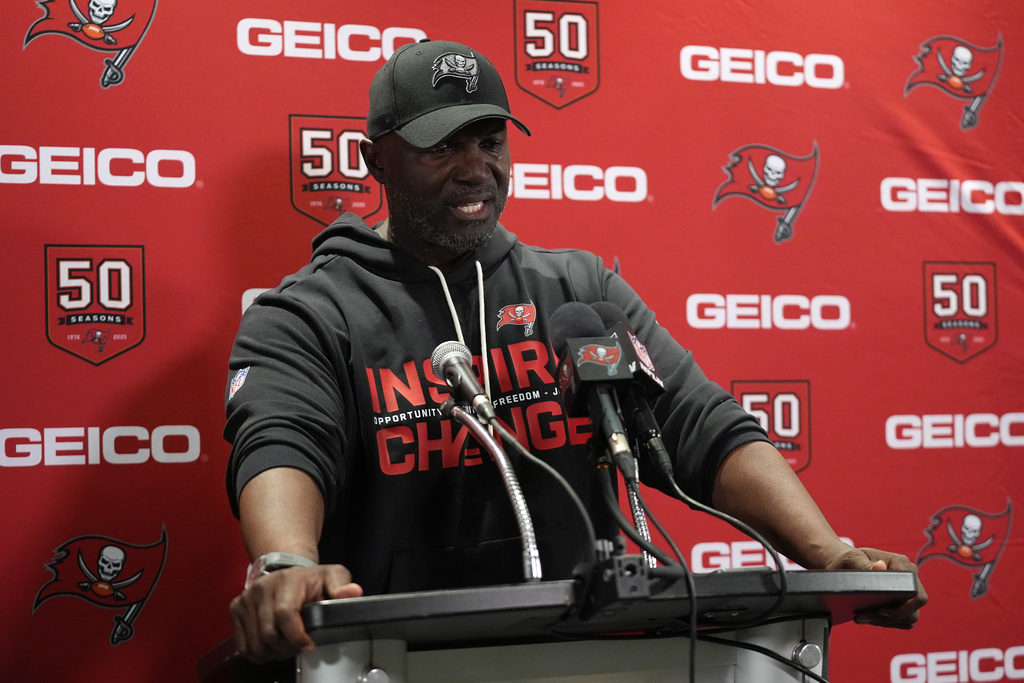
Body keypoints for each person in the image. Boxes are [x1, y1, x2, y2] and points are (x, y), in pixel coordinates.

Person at [225, 39, 927, 663]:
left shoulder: (577, 291)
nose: (476, 169)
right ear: (374, 158)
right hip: (392, 658)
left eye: (490, 140)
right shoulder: (309, 314)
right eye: (443, 146)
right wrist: (286, 564)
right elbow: (283, 441)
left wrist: (827, 551)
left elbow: (699, 425)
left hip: (584, 655)